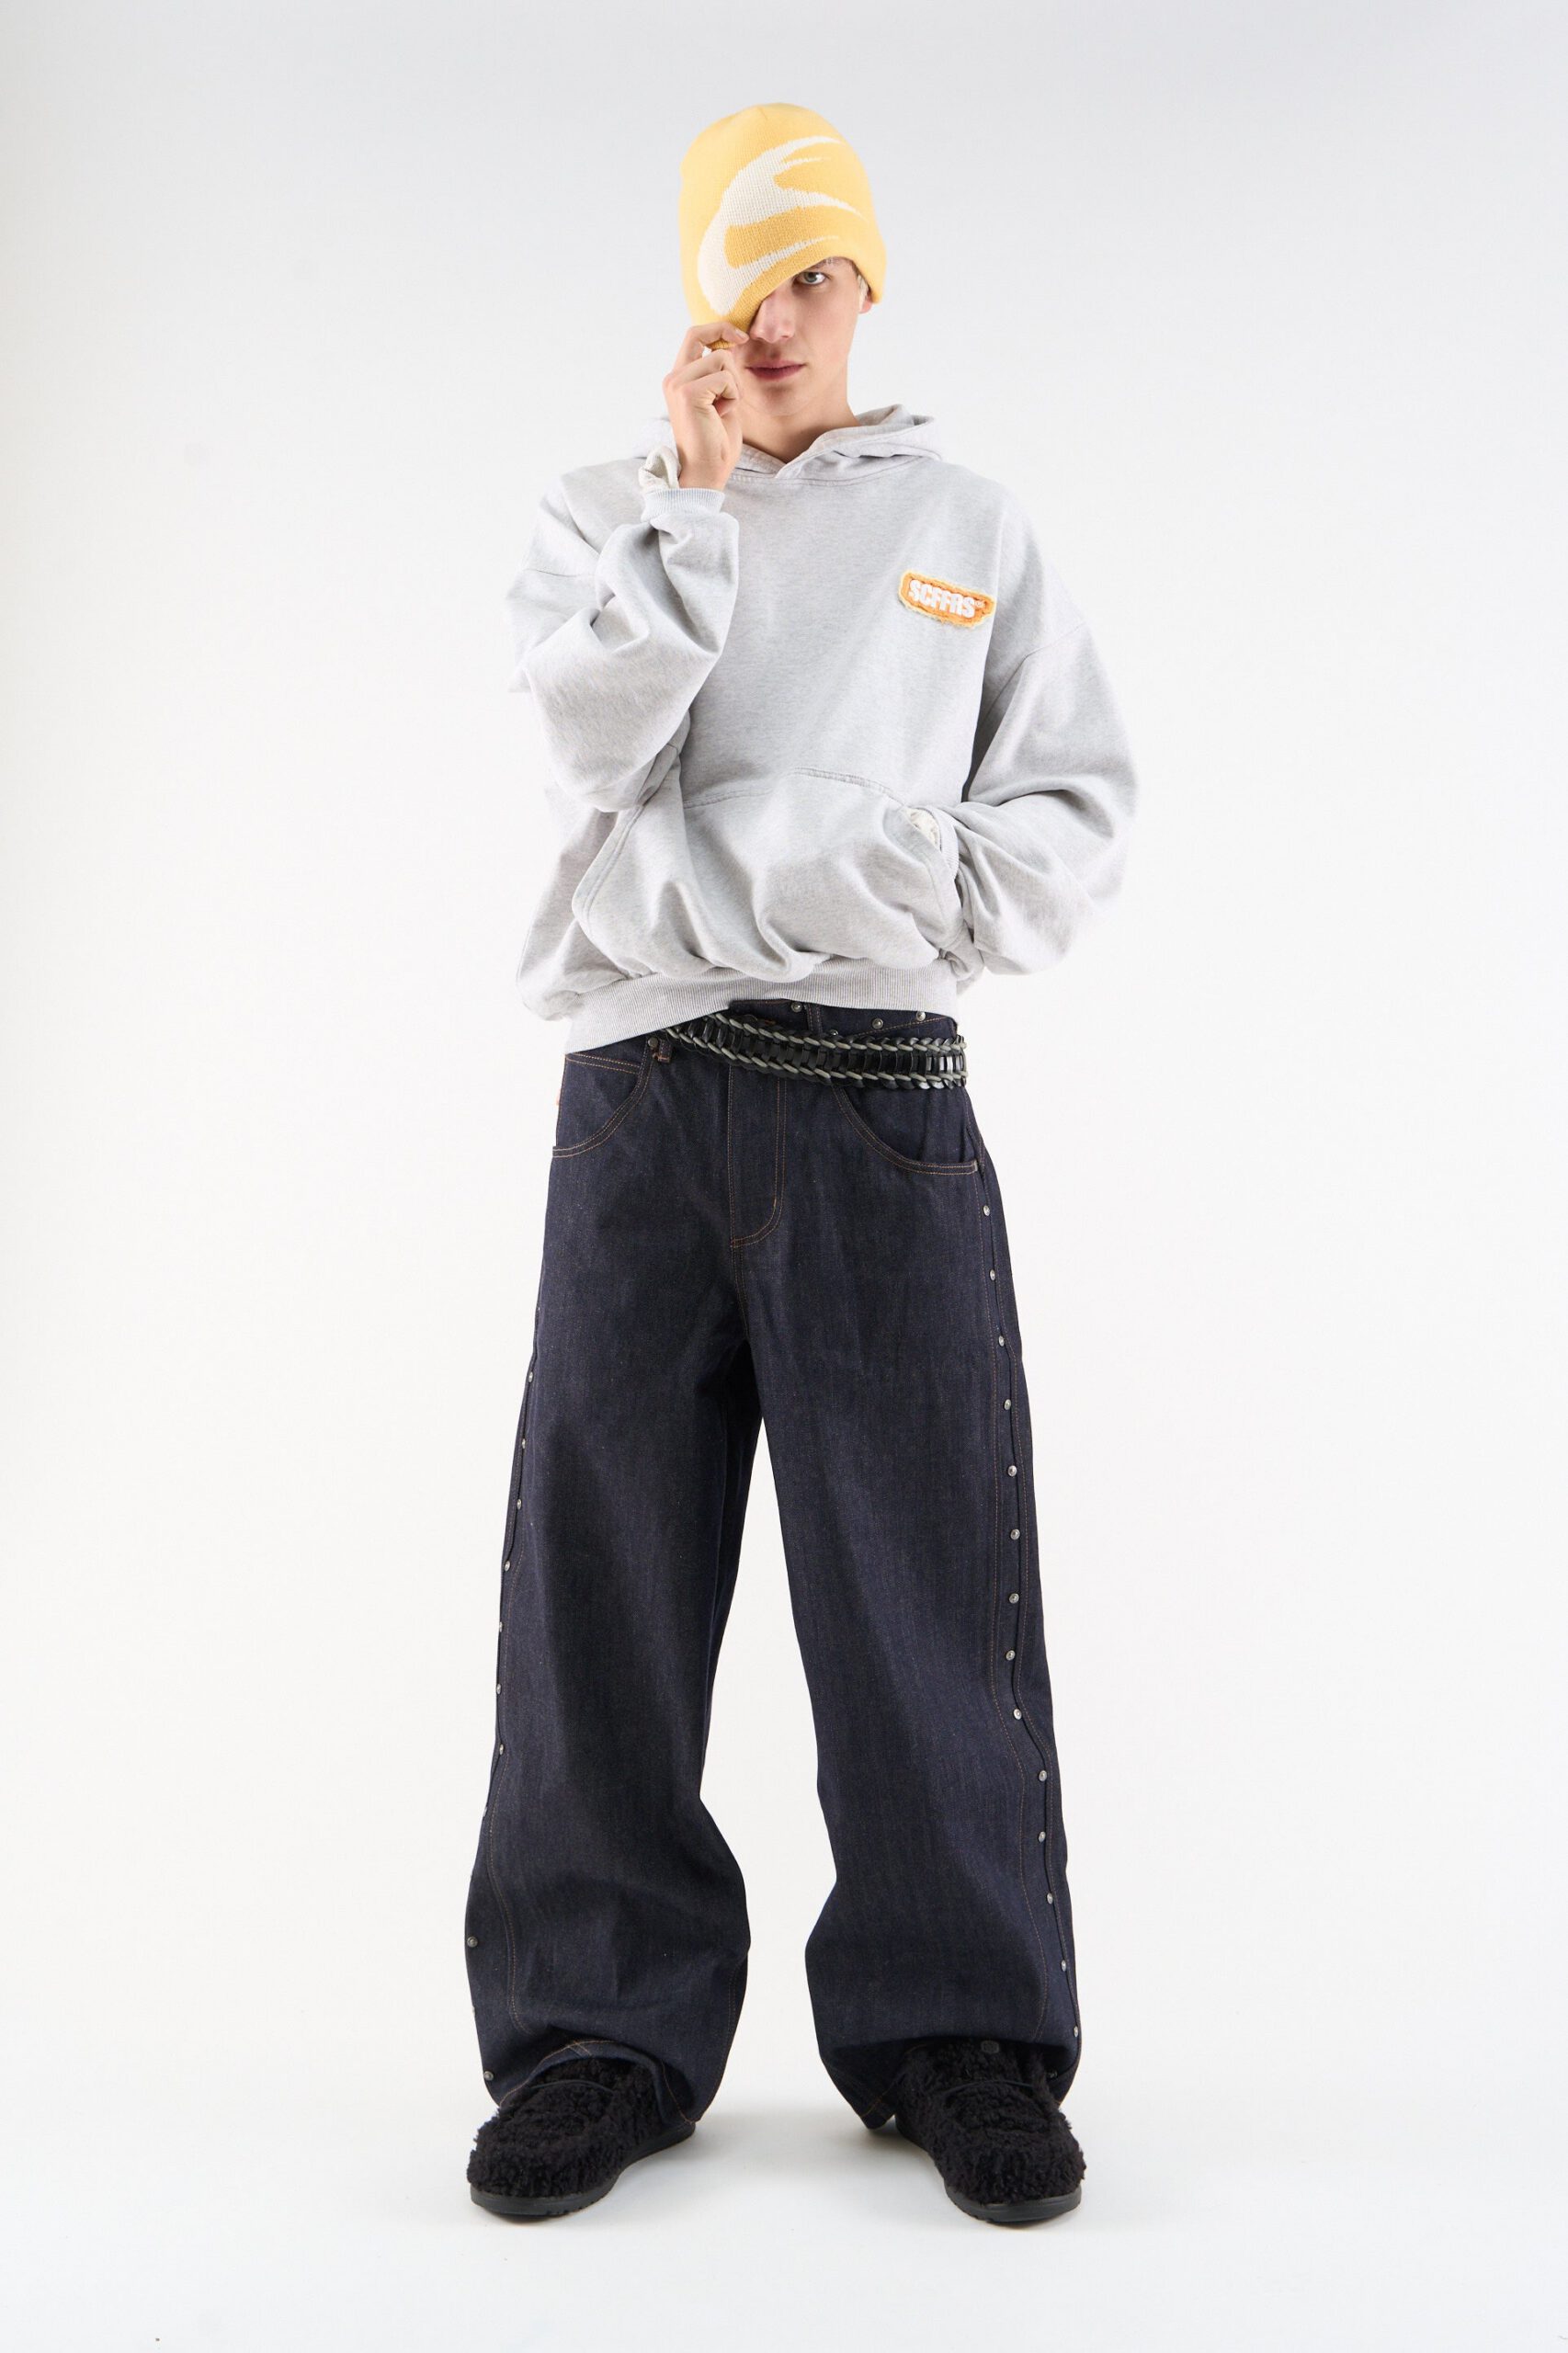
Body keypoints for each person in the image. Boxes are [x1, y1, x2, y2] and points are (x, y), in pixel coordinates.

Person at [463, 100, 1137, 2228]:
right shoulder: (602, 518)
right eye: (740, 279)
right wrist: (690, 516)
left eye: (813, 275)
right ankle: (597, 2030)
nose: (775, 318)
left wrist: (764, 856)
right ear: (692, 296)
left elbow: (1066, 831)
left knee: (923, 1570)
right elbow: (588, 763)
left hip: (879, 1102)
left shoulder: (965, 526)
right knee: (604, 1578)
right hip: (642, 1099)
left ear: (865, 287)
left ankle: (961, 2030)